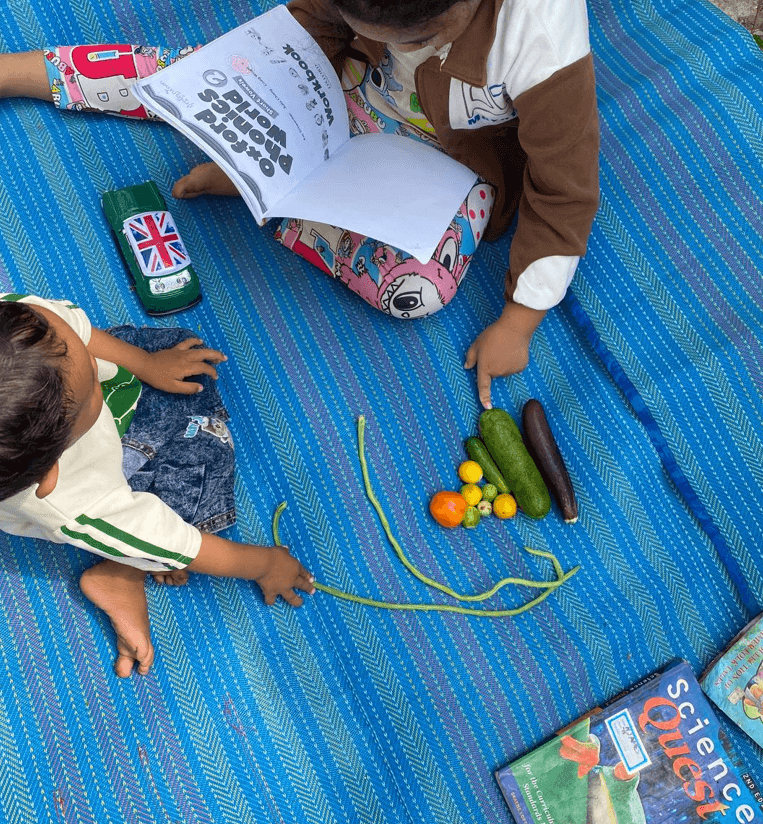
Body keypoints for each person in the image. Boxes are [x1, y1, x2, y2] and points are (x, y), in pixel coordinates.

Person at [0, 0, 599, 407]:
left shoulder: (542, 41)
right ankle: (22, 73)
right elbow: (302, 35)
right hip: (341, 90)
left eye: (420, 38)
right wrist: (262, 107)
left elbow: (565, 191)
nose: (405, 45)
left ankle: (263, 185)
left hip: (444, 157)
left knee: (417, 291)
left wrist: (520, 320)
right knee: (192, 79)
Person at [0, 294, 315, 678]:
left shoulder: (24, 330)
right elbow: (176, 542)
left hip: (50, 403)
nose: (100, 384)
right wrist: (265, 565)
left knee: (175, 346)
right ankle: (123, 568)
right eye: (90, 398)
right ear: (50, 475)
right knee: (208, 453)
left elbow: (71, 330)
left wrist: (145, 364)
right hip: (110, 471)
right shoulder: (71, 501)